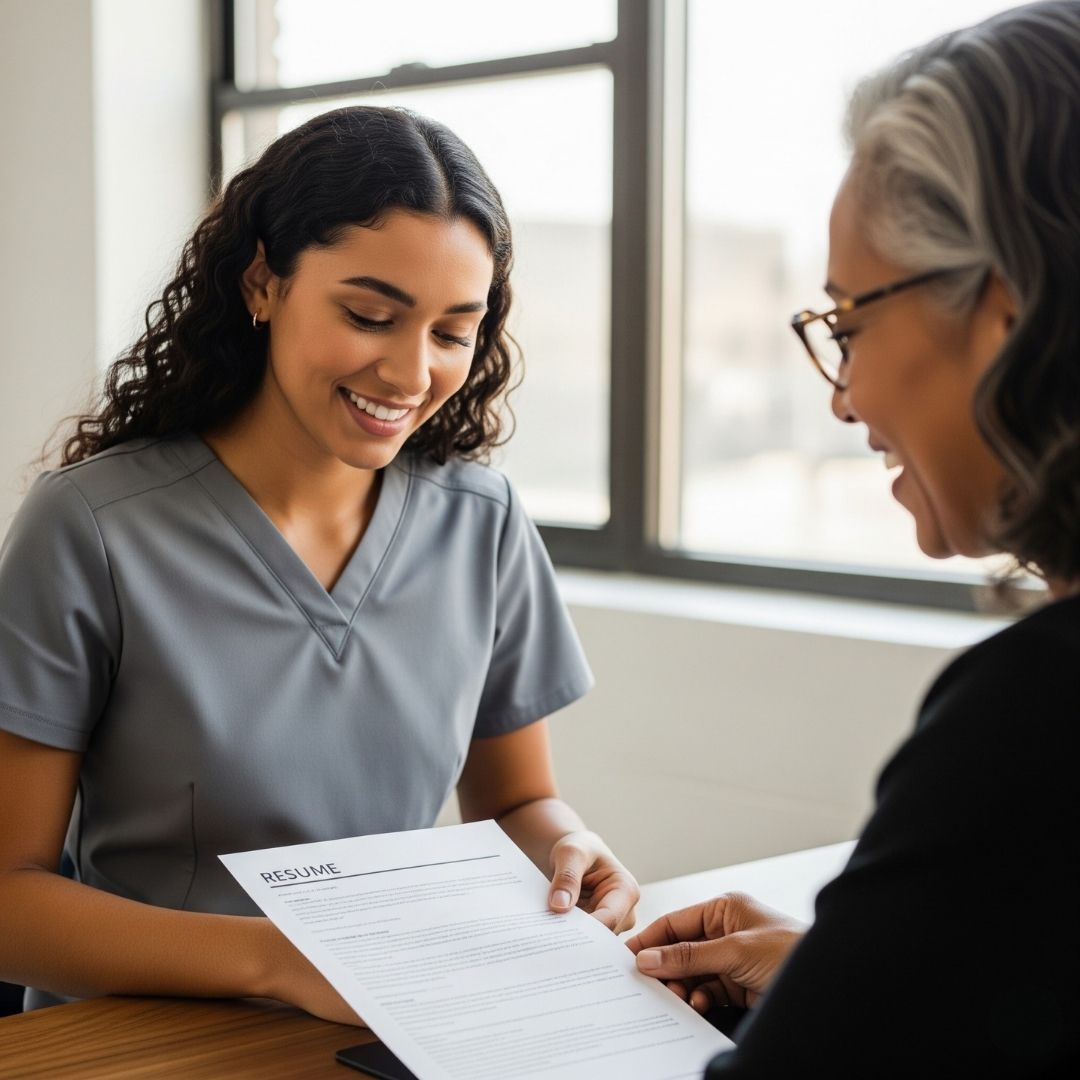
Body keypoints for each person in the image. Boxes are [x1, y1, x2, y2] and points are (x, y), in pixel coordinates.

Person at [0, 105, 638, 1023]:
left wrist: (572, 848)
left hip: (383, 1026)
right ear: (262, 281)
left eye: (453, 332)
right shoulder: (93, 528)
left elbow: (517, 802)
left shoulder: (481, 522)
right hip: (134, 1041)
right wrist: (281, 961)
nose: (411, 373)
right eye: (370, 315)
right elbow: (11, 899)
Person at [627, 3, 1080, 1075]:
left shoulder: (1035, 719)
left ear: (1002, 309)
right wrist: (851, 972)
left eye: (849, 324)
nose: (843, 401)